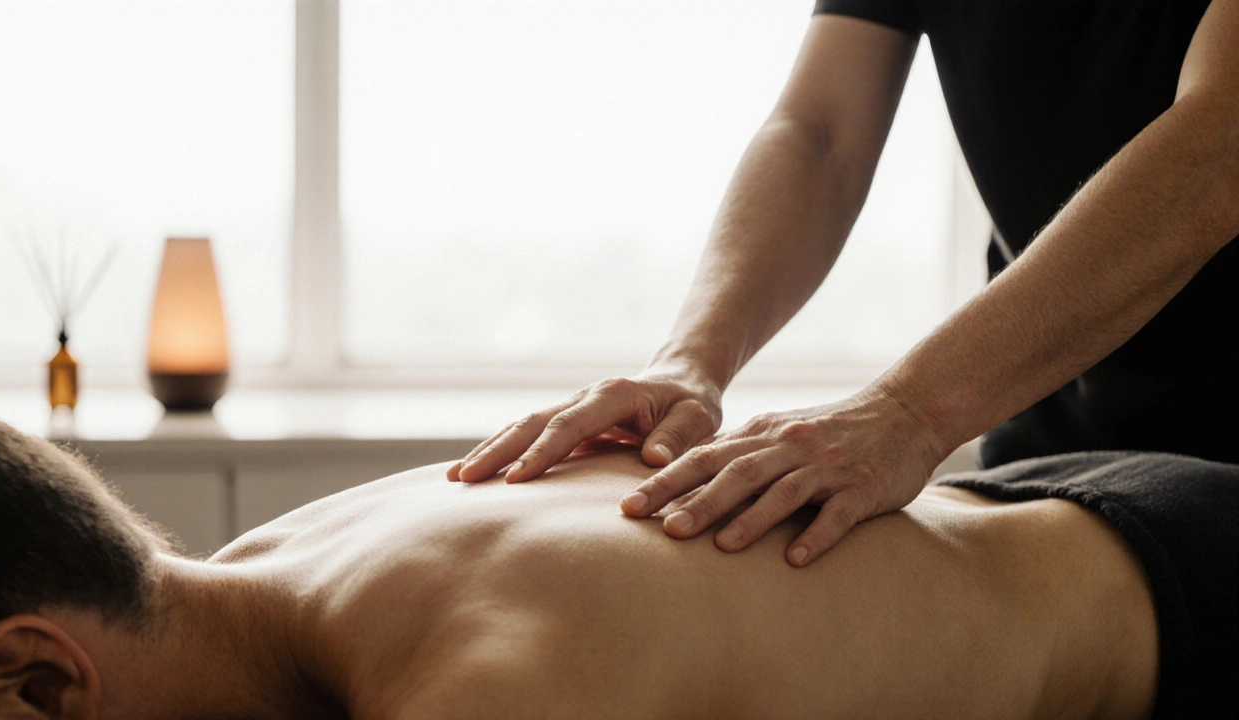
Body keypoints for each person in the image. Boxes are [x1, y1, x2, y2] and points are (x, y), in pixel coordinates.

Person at [449, 0, 1237, 566]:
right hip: (1051, 449)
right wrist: (690, 362)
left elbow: (1220, 145)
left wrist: (909, 413)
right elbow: (821, 133)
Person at [0, 405, 1236, 719]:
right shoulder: (278, 568)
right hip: (1047, 511)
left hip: (1188, 605)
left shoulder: (484, 687)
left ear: (37, 681)